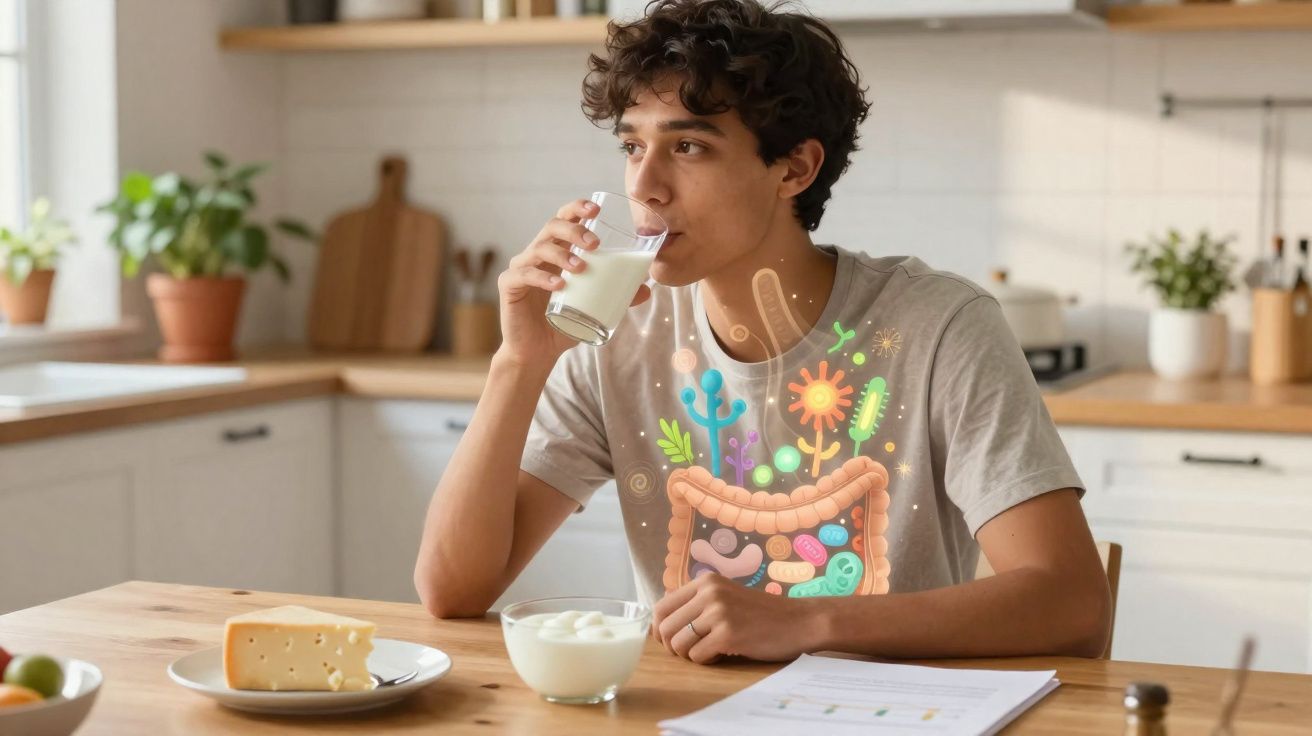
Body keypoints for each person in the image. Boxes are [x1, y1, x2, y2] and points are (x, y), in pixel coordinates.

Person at [415, 0, 1111, 664]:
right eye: (633, 145)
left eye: (687, 145)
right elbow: (451, 590)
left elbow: (1074, 604)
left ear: (795, 168)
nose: (646, 186)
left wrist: (807, 622)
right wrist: (519, 361)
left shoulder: (941, 328)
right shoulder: (617, 337)